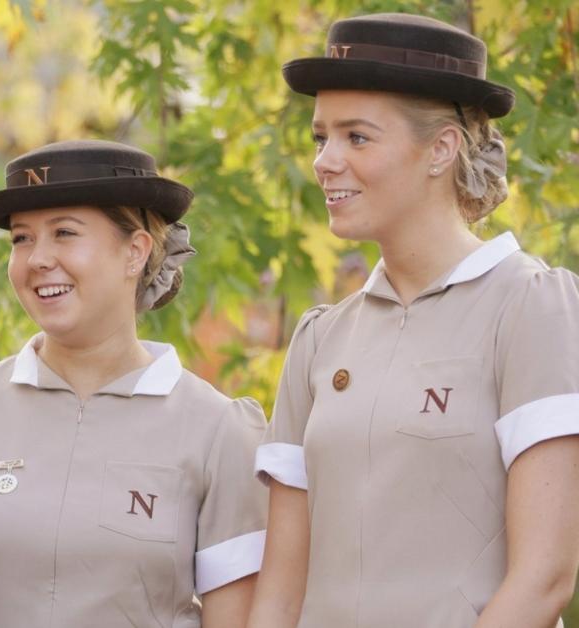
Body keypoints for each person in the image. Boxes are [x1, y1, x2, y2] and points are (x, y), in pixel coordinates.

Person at [247, 13, 579, 628]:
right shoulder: (321, 338)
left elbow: (546, 577)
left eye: (357, 137)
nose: (325, 160)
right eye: (321, 137)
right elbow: (280, 595)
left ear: (441, 149)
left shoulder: (531, 306)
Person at [0, 139, 268, 627]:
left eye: (64, 233)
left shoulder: (220, 430)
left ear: (135, 251)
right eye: (22, 239)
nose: (37, 259)